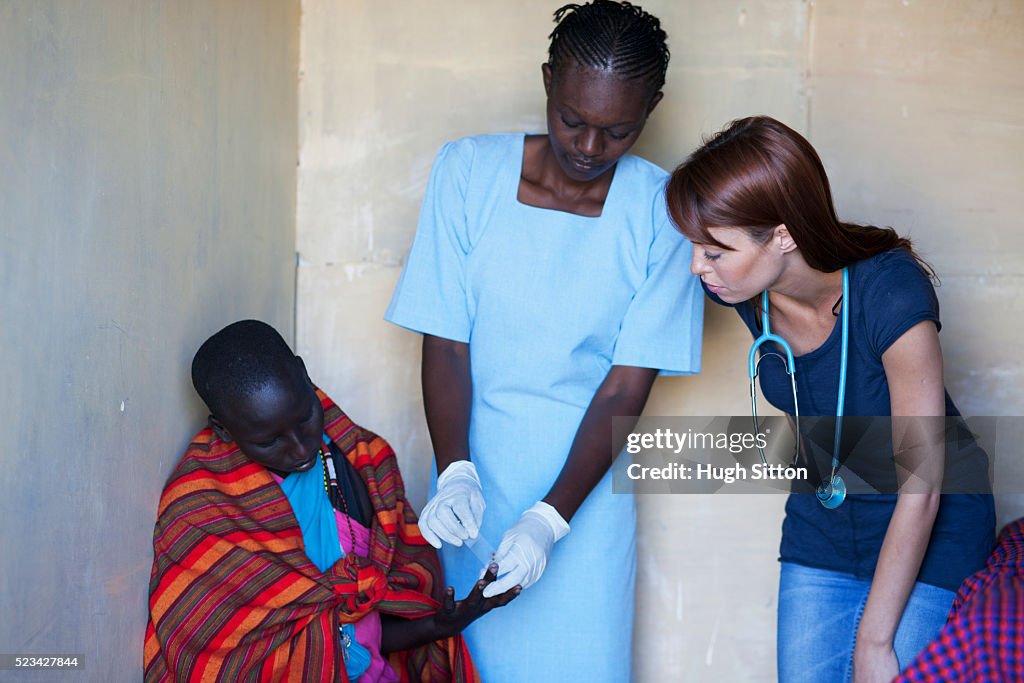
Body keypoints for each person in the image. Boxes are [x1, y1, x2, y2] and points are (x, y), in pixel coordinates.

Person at [384, 2, 703, 680]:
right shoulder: (467, 172)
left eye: (619, 130)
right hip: (473, 491)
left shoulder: (663, 212)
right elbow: (446, 340)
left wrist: (549, 522)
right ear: (546, 82)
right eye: (572, 119)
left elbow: (626, 386)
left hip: (582, 506)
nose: (589, 147)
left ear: (652, 109)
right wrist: (454, 471)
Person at [665, 116, 995, 682]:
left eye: (715, 251)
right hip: (825, 523)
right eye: (695, 247)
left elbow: (924, 484)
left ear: (785, 234)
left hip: (928, 527)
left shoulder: (890, 292)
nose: (698, 266)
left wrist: (875, 640)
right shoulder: (743, 290)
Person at [143, 320, 517, 682]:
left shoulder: (364, 464)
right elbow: (212, 653)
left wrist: (442, 623)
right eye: (270, 441)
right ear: (224, 429)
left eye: (305, 417)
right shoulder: (203, 510)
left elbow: (363, 626)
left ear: (305, 376)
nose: (301, 446)